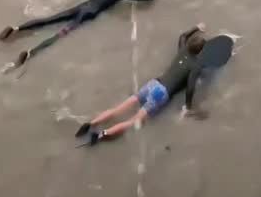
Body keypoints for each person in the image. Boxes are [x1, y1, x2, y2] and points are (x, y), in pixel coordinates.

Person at [0, 0, 157, 68]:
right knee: (57, 36)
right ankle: (29, 53)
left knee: (49, 20)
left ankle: (16, 28)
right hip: (88, 15)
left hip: (81, 7)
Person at [75, 23, 210, 146]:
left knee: (118, 109)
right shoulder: (195, 65)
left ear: (189, 45)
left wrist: (197, 28)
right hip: (161, 94)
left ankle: (91, 124)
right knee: (133, 121)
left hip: (153, 84)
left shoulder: (182, 49)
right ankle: (101, 135)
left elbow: (183, 36)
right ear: (200, 51)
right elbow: (190, 86)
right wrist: (188, 106)